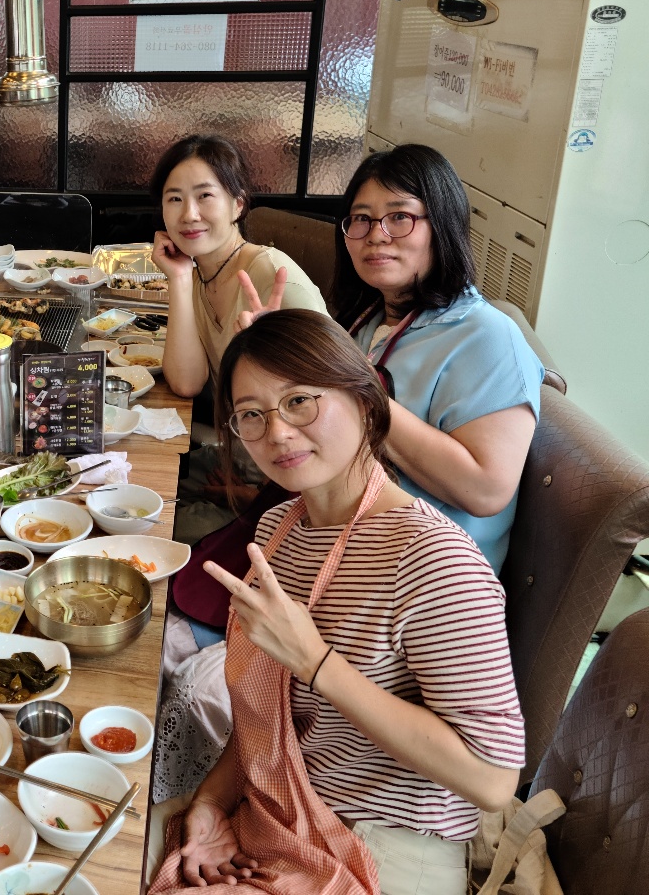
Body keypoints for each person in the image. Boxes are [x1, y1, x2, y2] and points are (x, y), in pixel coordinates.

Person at [151, 309, 524, 895]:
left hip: (387, 844)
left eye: (300, 401)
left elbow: (493, 778)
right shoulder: (280, 529)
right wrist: (212, 803)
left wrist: (315, 661)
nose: (278, 433)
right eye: (252, 414)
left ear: (366, 401)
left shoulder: (433, 559)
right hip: (283, 807)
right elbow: (271, 719)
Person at [333, 144, 542, 573]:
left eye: (399, 216)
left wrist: (355, 388)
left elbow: (486, 490)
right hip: (344, 540)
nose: (376, 234)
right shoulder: (369, 320)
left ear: (443, 225)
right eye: (361, 218)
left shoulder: (486, 336)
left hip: (421, 578)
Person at [148, 134, 328, 545]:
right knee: (127, 493)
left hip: (283, 485)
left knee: (152, 534)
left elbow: (328, 410)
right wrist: (179, 278)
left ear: (238, 205)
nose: (189, 214)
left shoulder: (274, 278)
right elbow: (187, 382)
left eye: (205, 196)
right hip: (236, 458)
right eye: (174, 199)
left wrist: (260, 494)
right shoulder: (200, 271)